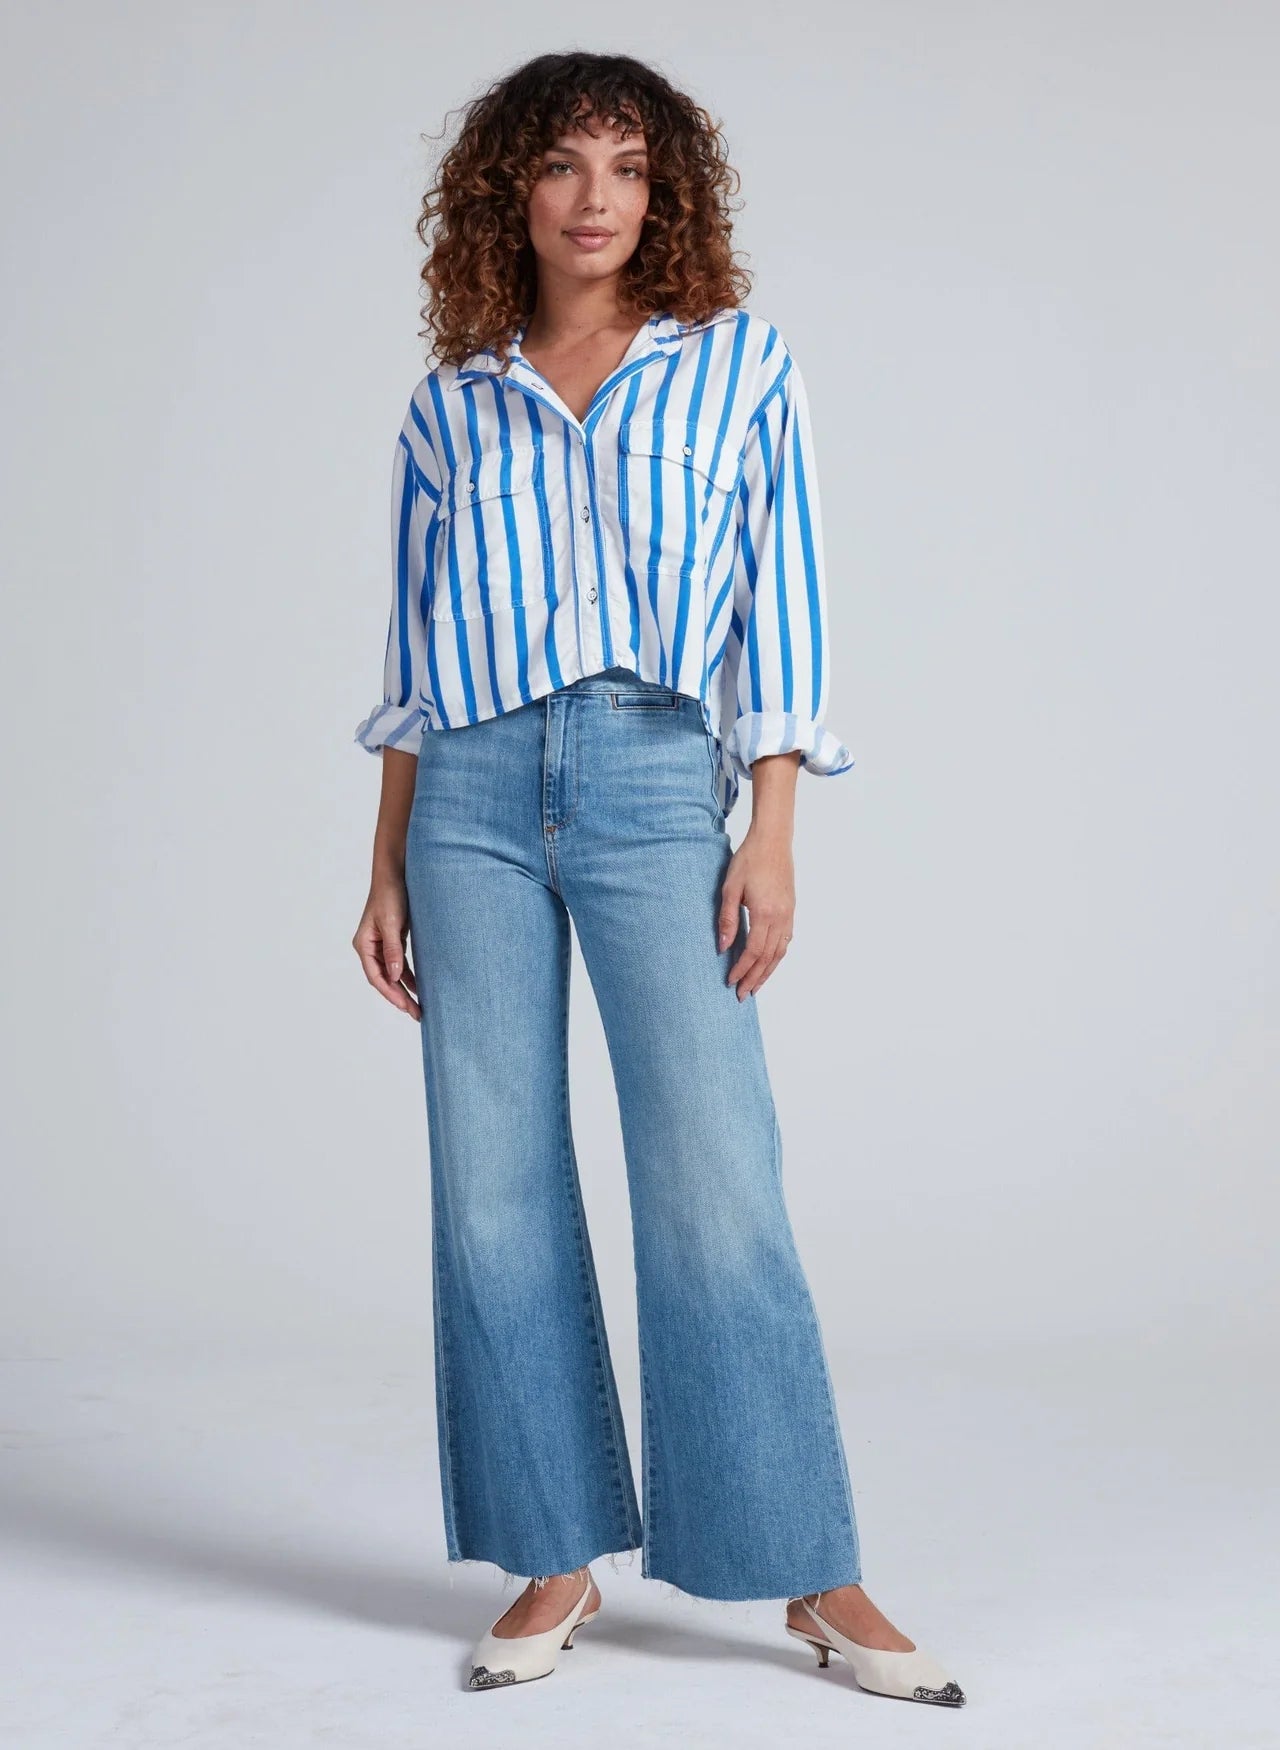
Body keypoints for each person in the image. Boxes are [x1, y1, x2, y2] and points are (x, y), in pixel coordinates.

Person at [351, 51, 966, 1708]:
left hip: (647, 781)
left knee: (714, 1173)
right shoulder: (451, 399)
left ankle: (808, 1567)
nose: (598, 196)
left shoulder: (739, 370)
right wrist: (387, 856)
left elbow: (790, 602)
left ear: (665, 191)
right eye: (564, 166)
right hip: (469, 789)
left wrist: (770, 826)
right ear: (511, 196)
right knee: (489, 1181)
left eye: (629, 165)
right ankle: (555, 1551)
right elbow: (413, 654)